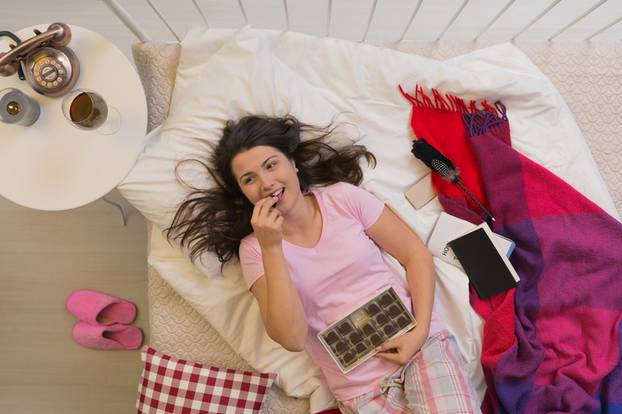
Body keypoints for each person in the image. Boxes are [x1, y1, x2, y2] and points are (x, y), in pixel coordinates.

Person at [167, 115, 476, 413]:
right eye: (249, 179)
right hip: (361, 390)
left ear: (293, 163)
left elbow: (415, 255)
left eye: (271, 165)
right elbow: (291, 337)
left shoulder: (343, 198)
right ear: (243, 192)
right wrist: (271, 247)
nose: (265, 183)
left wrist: (420, 331)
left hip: (420, 345)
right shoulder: (255, 251)